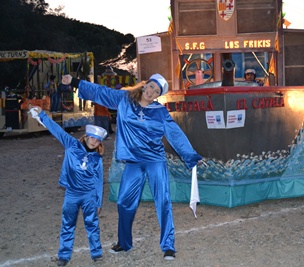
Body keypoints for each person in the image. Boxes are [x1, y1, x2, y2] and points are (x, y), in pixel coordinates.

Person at [61, 73, 202, 261]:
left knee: (163, 201)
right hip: (133, 162)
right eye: (151, 86)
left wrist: (191, 156)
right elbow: (100, 92)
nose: (151, 92)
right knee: (124, 202)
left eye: (156, 91)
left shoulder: (160, 112)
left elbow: (175, 134)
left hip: (155, 161)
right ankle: (124, 243)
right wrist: (76, 82)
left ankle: (168, 246)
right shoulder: (125, 100)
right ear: (145, 85)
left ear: (158, 95)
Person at [28, 106, 107, 266]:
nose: (94, 142)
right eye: (92, 138)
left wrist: (98, 201)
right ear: (86, 137)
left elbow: (99, 180)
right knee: (68, 224)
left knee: (92, 224)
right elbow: (57, 130)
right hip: (71, 193)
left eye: (97, 140)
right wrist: (42, 115)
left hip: (89, 195)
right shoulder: (71, 144)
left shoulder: (97, 159)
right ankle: (64, 255)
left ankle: (96, 252)